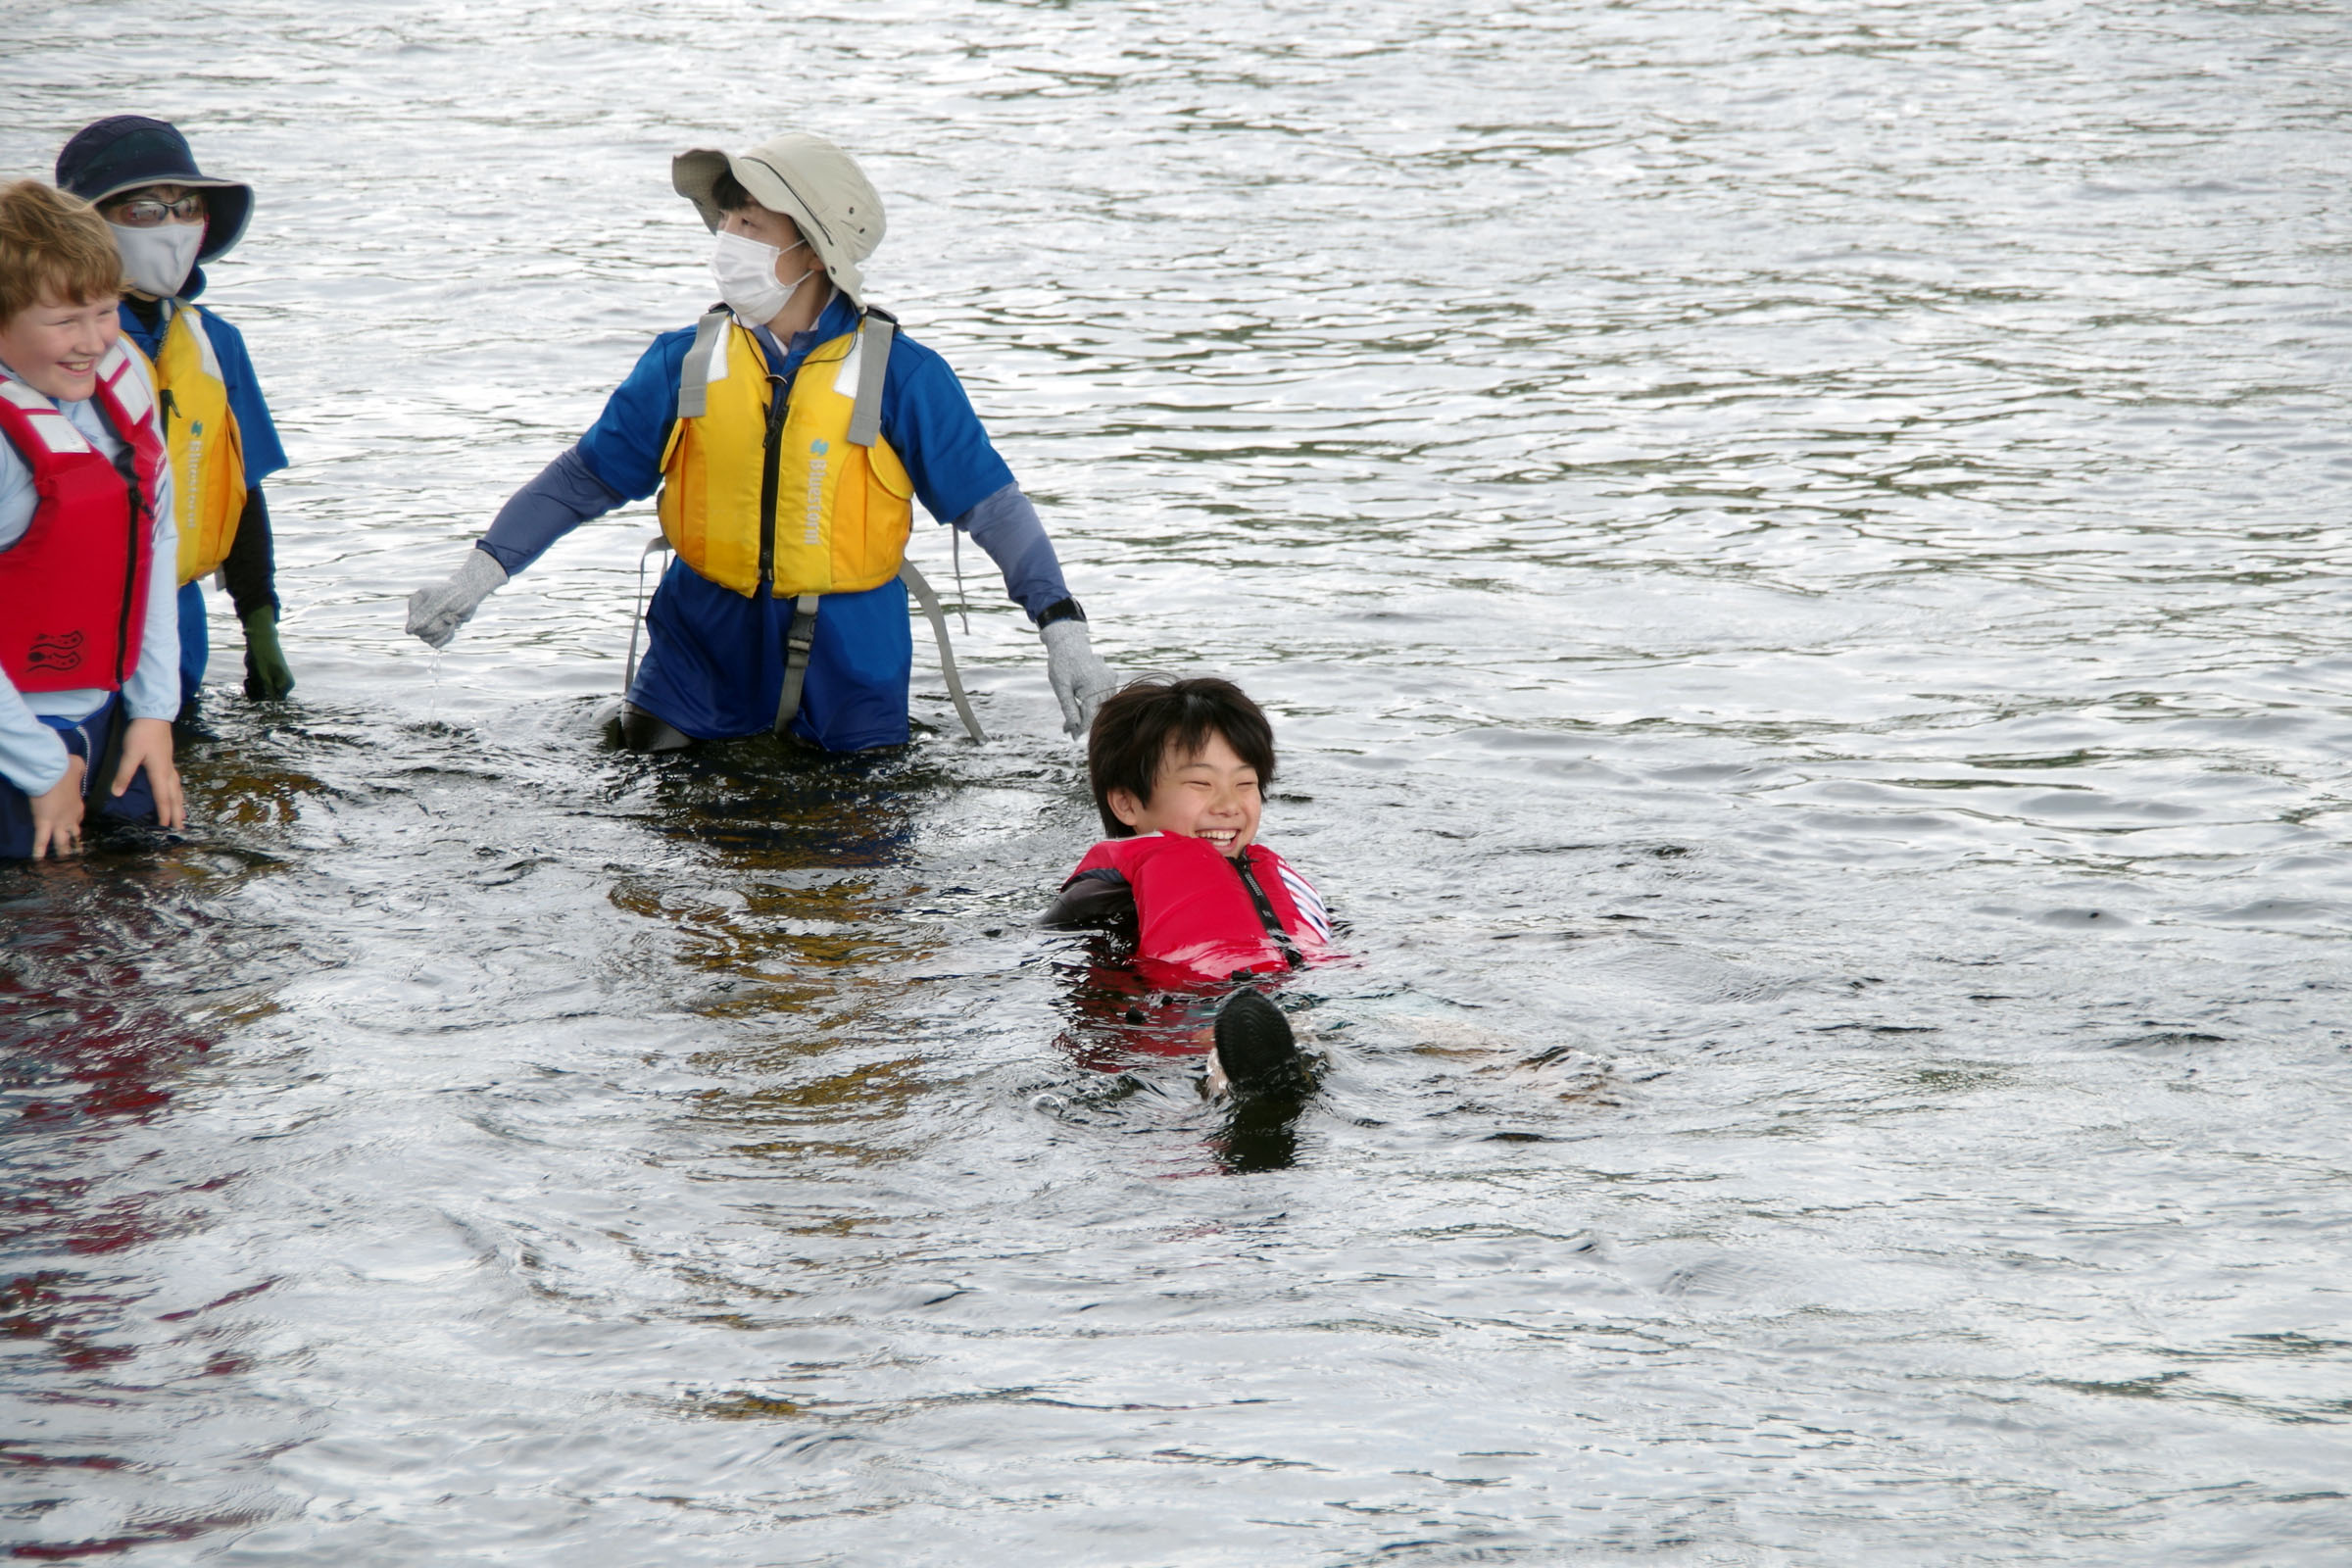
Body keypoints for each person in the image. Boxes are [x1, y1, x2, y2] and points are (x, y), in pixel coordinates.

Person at [405, 130, 1116, 753]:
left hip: (852, 660)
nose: (728, 240)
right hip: (696, 652)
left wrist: (1062, 628)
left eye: (752, 225)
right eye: (728, 221)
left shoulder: (904, 375)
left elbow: (992, 510)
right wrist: (478, 575)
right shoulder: (681, 359)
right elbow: (584, 478)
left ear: (815, 250)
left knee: (854, 876)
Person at [55, 116, 295, 719]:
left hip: (177, 620)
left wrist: (259, 623)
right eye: (143, 211)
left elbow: (239, 492)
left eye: (186, 207)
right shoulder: (44, 340)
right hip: (65, 624)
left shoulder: (215, 342)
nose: (172, 226)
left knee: (174, 796)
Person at [0, 179, 187, 859]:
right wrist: (42, 768)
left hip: (109, 713)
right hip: (15, 730)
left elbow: (156, 543)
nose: (91, 342)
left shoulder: (125, 371)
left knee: (155, 887)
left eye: (104, 312)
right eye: (62, 322)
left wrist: (154, 712)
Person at [1043, 676, 1331, 1095]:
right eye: (1201, 784)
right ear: (1127, 803)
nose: (1229, 806)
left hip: (1289, 998)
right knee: (1222, 1037)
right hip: (1176, 1025)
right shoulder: (1102, 897)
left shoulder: (1276, 881)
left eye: (1245, 784)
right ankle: (1240, 1079)